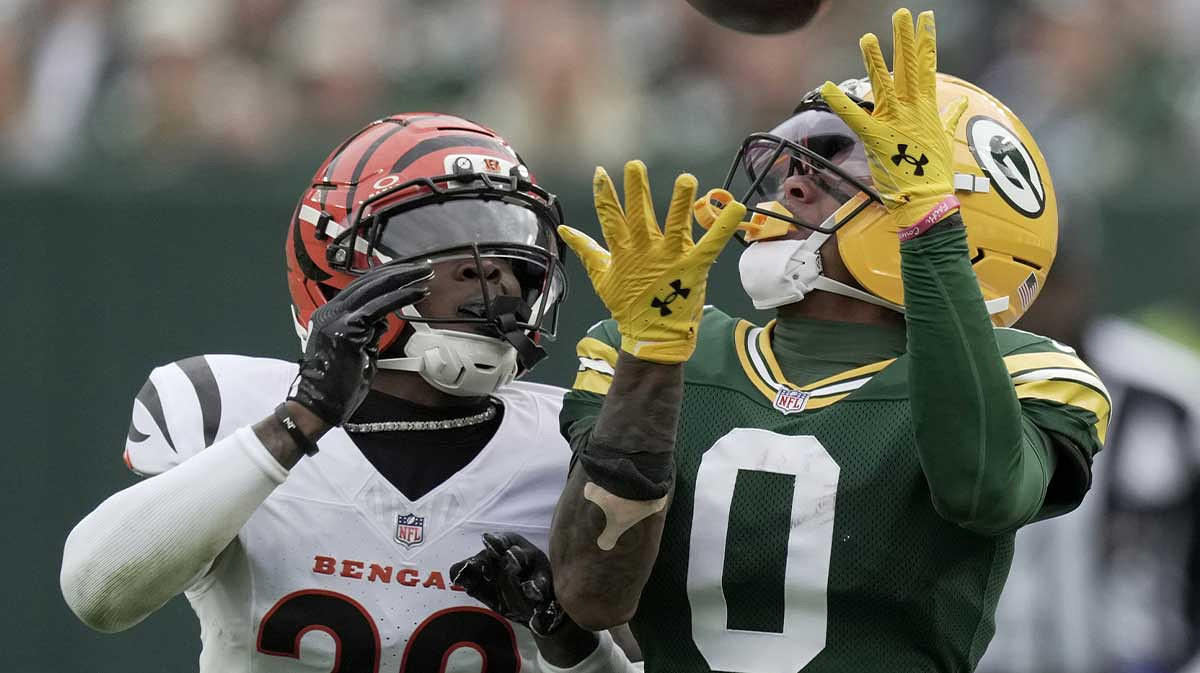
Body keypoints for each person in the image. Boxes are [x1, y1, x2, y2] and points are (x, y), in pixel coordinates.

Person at [548, 9, 1110, 673]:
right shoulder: (664, 354)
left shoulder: (1029, 374)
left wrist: (928, 227)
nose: (787, 186)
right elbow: (589, 596)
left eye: (825, 173)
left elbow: (980, 489)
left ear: (952, 203)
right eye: (795, 165)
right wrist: (650, 362)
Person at [59, 112, 631, 672]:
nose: (501, 273)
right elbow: (97, 594)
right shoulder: (222, 402)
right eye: (443, 233)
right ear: (337, 257)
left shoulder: (573, 439)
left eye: (510, 244)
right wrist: (300, 420)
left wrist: (571, 643)